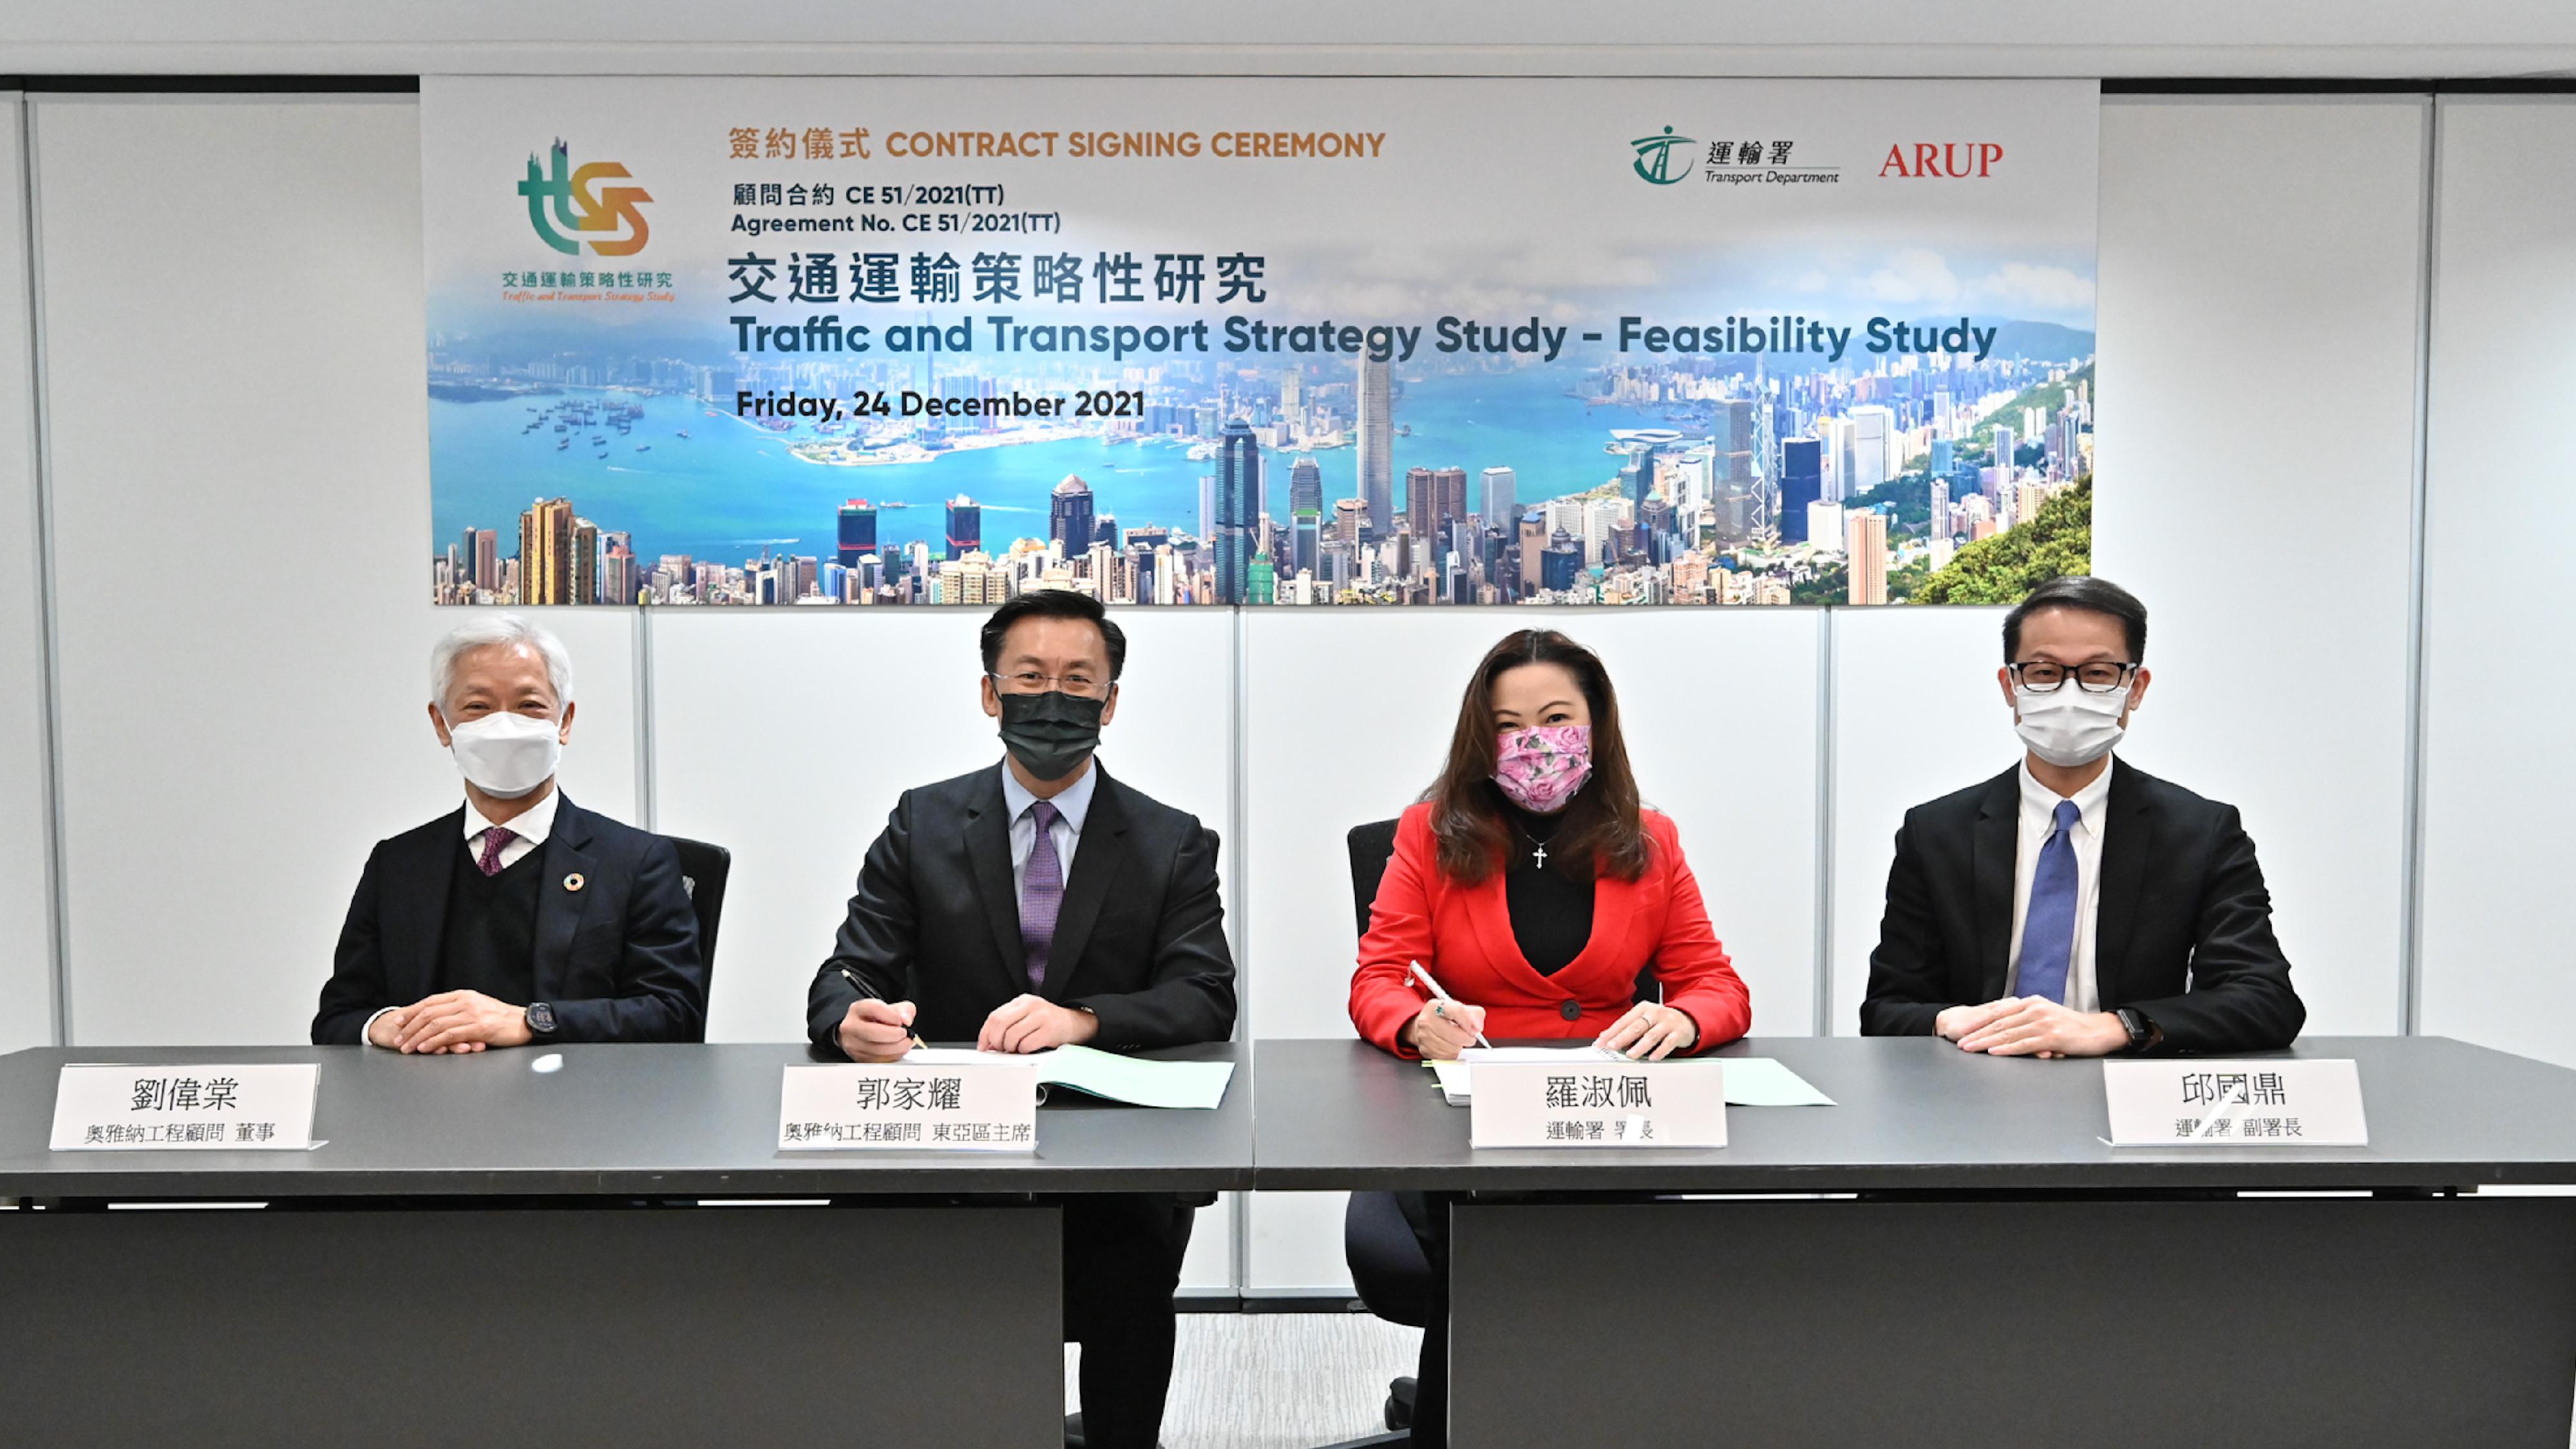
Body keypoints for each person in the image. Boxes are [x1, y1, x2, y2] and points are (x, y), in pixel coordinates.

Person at [806, 588, 1235, 1449]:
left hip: (1103, 1153)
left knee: (1126, 1276)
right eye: (1030, 676)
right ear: (989, 693)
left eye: (1079, 681)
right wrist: (850, 1015)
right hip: (948, 1147)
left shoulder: (1170, 839)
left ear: (1111, 703)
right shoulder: (922, 821)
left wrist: (1081, 1019)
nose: (1054, 697)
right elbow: (848, 967)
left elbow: (1205, 994)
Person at [1347, 627, 1750, 1448]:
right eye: (1507, 725)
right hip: (1465, 1130)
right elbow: (1376, 981)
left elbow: (1718, 987)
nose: (1534, 743)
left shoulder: (1650, 839)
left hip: (1608, 1123)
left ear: (1596, 726)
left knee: (1595, 1258)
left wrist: (1681, 1017)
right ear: (1479, 737)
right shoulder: (1429, 832)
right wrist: (1415, 1022)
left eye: (1557, 717)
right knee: (1488, 1244)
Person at [1861, 574, 2305, 1056]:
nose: (2068, 694)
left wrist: (2117, 1027)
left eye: (2097, 673)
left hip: (2127, 1094)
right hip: (1972, 1085)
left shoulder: (2200, 832)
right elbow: (1886, 1009)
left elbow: (2267, 1000)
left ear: (2135, 688)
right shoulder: (1937, 832)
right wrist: (1955, 1020)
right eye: (2044, 672)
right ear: (2010, 685)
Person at [312, 616, 706, 1050]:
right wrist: (387, 1026)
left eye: (529, 705)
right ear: (442, 725)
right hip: (425, 1107)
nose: (504, 726)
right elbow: (336, 1018)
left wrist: (530, 1022)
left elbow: (674, 1015)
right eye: (478, 707)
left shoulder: (636, 861)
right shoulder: (398, 863)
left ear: (565, 721)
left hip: (577, 1108)